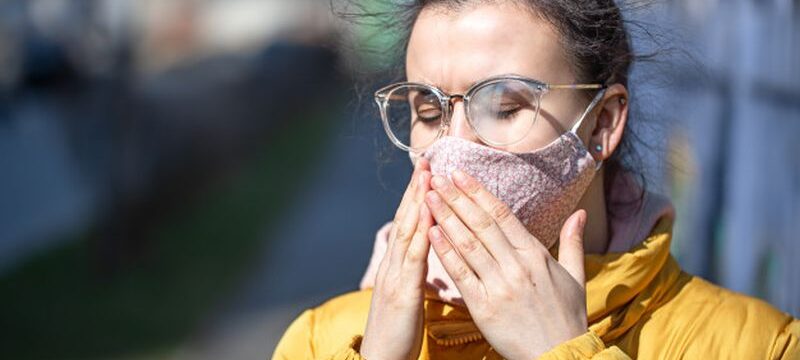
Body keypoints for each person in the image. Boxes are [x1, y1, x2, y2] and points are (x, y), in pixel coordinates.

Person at [271, 1, 800, 359]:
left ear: (602, 123)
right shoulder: (324, 341)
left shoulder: (761, 345)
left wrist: (566, 352)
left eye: (503, 106)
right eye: (429, 111)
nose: (455, 149)